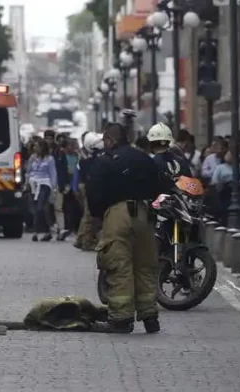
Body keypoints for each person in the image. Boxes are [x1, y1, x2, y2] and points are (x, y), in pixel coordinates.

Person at [86, 123, 167, 334]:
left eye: (105, 141)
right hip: (145, 213)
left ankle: (121, 319)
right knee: (145, 267)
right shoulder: (144, 158)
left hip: (118, 214)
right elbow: (159, 186)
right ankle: (150, 317)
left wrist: (97, 218)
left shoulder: (104, 161)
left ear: (110, 140)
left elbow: (94, 191)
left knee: (119, 266)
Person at [26, 139, 58, 242]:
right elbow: (29, 171)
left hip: (44, 183)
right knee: (35, 209)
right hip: (33, 183)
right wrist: (26, 182)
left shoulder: (49, 159)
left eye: (37, 146)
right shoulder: (32, 158)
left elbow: (53, 173)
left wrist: (54, 187)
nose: (35, 148)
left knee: (40, 207)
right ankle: (37, 232)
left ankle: (44, 230)